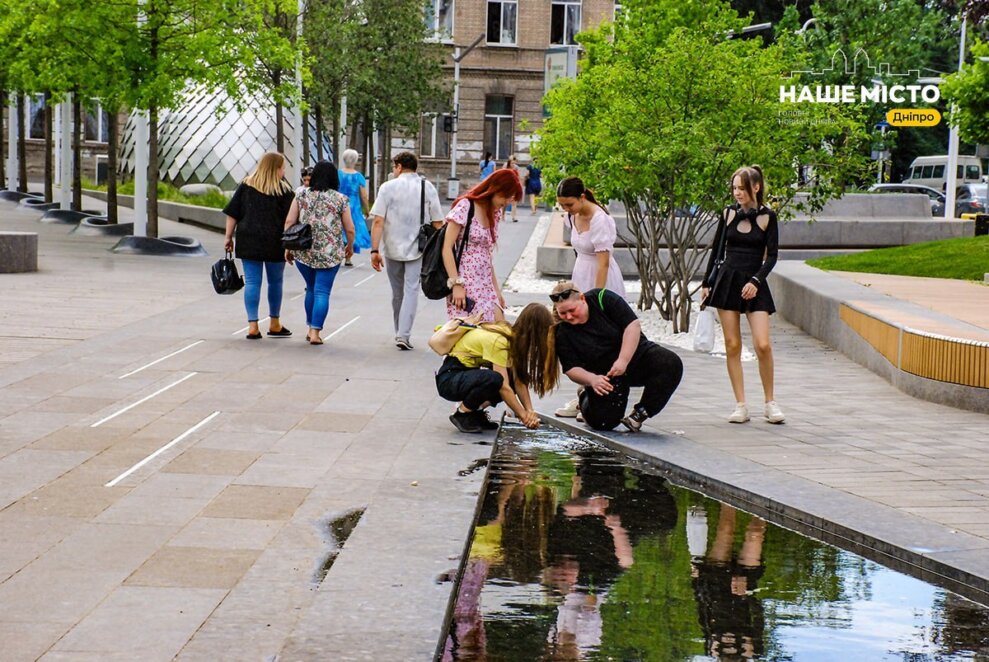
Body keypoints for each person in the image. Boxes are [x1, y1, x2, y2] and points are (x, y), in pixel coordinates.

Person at [701, 165, 785, 424]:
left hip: (754, 283)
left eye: (741, 188)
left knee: (763, 344)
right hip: (728, 281)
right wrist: (706, 283)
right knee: (732, 345)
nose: (737, 192)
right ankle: (741, 405)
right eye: (734, 188)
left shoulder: (768, 217)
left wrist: (757, 280)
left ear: (756, 187)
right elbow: (716, 252)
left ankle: (770, 403)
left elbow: (772, 256)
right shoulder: (727, 214)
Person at [550, 281, 683, 432]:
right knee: (603, 423)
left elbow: (632, 325)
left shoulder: (602, 298)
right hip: (605, 376)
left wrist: (623, 360)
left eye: (572, 310)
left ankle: (640, 414)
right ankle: (584, 398)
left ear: (582, 298)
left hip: (634, 356)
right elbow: (571, 368)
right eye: (563, 313)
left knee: (670, 363)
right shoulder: (562, 331)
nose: (568, 316)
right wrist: (592, 380)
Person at [553, 176, 627, 419]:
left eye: (569, 204)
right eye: (562, 205)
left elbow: (603, 263)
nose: (566, 209)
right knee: (579, 336)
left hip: (600, 278)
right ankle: (582, 394)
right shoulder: (572, 216)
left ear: (582, 197)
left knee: (598, 336)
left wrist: (597, 297)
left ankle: (593, 397)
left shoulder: (600, 219)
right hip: (581, 273)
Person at [435, 303, 555, 433]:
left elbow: (519, 381)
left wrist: (530, 411)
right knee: (495, 379)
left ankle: (475, 412)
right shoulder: (500, 341)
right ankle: (462, 413)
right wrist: (524, 416)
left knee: (506, 379)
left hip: (464, 374)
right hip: (450, 378)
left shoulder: (512, 337)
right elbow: (504, 387)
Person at [369, 151, 444, 350]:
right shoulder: (426, 187)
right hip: (418, 248)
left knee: (397, 292)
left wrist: (374, 250)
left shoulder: (387, 187)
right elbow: (438, 222)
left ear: (399, 166)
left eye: (394, 167)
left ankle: (398, 331)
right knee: (412, 290)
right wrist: (444, 250)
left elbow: (378, 220)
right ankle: (404, 334)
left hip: (391, 246)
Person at [223, 151, 295, 340]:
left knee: (253, 282)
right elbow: (291, 220)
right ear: (276, 168)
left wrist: (228, 237)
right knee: (275, 282)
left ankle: (253, 325)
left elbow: (233, 213)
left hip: (249, 239)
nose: (284, 171)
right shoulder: (284, 191)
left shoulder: (246, 186)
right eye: (283, 167)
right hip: (275, 241)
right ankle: (274, 323)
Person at [283, 161, 355, 345]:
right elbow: (350, 228)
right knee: (322, 292)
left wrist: (288, 247)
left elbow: (289, 222)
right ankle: (315, 332)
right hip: (330, 253)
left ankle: (309, 328)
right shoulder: (340, 199)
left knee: (311, 288)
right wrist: (349, 246)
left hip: (304, 251)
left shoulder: (301, 195)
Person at [442, 168, 522, 323]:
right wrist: (456, 284)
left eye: (510, 199)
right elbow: (446, 248)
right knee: (470, 335)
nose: (506, 202)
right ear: (495, 189)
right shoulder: (466, 206)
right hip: (465, 280)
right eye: (505, 197)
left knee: (498, 328)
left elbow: (487, 256)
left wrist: (496, 290)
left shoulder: (494, 213)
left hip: (485, 281)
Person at [337, 149, 372, 266]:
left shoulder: (338, 174)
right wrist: (366, 210)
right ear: (356, 161)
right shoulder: (359, 177)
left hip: (339, 205)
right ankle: (348, 257)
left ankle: (339, 253)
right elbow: (364, 196)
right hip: (354, 208)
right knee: (352, 230)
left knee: (339, 230)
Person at [503, 155, 521, 221]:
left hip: (514, 186)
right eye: (512, 162)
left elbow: (518, 177)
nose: (513, 164)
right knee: (505, 202)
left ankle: (514, 217)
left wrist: (519, 186)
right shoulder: (505, 167)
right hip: (507, 186)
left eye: (514, 162)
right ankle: (502, 215)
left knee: (514, 202)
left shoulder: (516, 168)